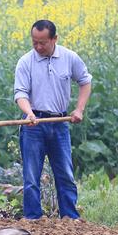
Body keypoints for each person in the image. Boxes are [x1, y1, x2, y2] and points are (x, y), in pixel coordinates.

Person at [14, 19, 92, 219]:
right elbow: (20, 93)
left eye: (43, 42)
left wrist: (79, 109)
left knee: (65, 175)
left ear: (54, 39)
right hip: (33, 125)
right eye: (34, 42)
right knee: (31, 177)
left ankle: (70, 219)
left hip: (60, 123)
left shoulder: (69, 58)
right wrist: (29, 113)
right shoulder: (25, 62)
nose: (38, 47)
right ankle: (33, 219)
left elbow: (85, 81)